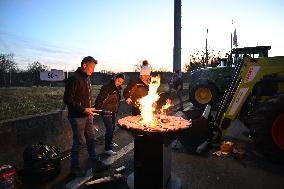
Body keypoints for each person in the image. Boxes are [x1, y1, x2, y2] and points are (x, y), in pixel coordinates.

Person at [63, 56, 109, 177]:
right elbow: (67, 99)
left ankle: (95, 162)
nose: (93, 70)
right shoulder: (74, 79)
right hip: (77, 117)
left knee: (91, 138)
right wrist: (83, 109)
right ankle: (74, 168)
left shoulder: (86, 79)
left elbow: (84, 98)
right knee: (79, 142)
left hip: (88, 115)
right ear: (84, 65)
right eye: (92, 67)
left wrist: (89, 109)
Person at [94, 73, 125, 156]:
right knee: (109, 129)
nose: (119, 83)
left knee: (113, 127)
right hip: (106, 111)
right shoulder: (107, 87)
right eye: (118, 81)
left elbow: (117, 100)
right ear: (115, 79)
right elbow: (100, 98)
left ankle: (110, 142)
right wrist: (97, 109)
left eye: (121, 82)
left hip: (113, 111)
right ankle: (107, 149)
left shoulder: (118, 88)